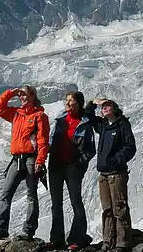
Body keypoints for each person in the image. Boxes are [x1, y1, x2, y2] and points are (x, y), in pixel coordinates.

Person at [0, 85, 50, 240]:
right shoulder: (16, 114)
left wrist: (40, 160)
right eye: (21, 95)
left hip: (31, 159)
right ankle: (0, 230)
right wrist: (12, 93)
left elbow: (43, 140)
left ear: (32, 96)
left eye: (25, 95)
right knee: (6, 194)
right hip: (17, 159)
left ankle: (28, 230)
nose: (22, 97)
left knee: (31, 195)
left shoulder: (40, 116)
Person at [84, 98, 136, 252]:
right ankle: (108, 241)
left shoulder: (122, 124)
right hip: (103, 174)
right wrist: (94, 102)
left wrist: (116, 160)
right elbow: (88, 115)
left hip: (116, 173)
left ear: (115, 108)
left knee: (119, 207)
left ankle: (123, 243)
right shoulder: (103, 125)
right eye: (103, 106)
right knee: (107, 209)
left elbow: (130, 147)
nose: (105, 108)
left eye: (108, 105)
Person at [47, 91, 96, 250]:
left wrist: (80, 162)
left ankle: (78, 238)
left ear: (79, 103)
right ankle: (57, 239)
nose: (68, 103)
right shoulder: (60, 119)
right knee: (56, 203)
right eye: (67, 100)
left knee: (76, 202)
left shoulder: (85, 123)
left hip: (73, 167)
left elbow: (91, 149)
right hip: (55, 165)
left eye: (71, 101)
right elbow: (51, 139)